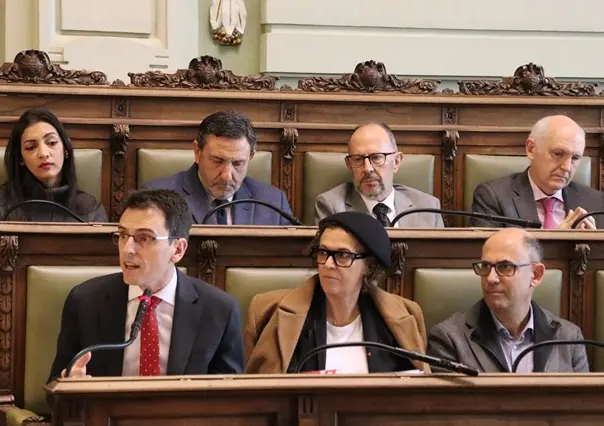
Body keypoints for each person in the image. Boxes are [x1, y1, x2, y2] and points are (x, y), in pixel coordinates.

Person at [48, 189, 244, 380]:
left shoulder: (219, 310)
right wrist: (69, 385)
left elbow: (230, 395)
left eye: (144, 238)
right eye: (123, 235)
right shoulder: (85, 302)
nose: (127, 249)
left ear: (178, 249)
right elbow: (55, 384)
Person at [0, 108, 107, 356]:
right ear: (21, 158)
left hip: (78, 312)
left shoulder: (90, 208)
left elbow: (102, 272)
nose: (43, 153)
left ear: (65, 149)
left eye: (51, 143)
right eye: (31, 147)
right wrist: (32, 296)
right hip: (12, 313)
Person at [244, 211, 430, 374]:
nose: (328, 264)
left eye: (343, 255)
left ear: (369, 266)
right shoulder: (266, 311)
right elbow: (251, 394)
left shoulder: (407, 315)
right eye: (323, 252)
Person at [427, 228, 588, 373]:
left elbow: (581, 397)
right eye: (485, 266)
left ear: (536, 275)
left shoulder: (569, 338)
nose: (491, 278)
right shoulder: (449, 338)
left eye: (505, 267)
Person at [141, 111, 292, 225]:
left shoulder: (273, 202)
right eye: (217, 161)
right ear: (197, 152)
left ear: (251, 157)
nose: (227, 176)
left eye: (237, 163)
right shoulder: (155, 199)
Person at [470, 115, 603, 229]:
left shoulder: (596, 202)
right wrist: (559, 242)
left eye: (575, 158)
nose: (567, 167)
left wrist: (596, 244)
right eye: (558, 154)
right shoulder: (494, 197)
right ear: (531, 149)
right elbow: (488, 250)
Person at [314, 122, 443, 227]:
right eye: (358, 159)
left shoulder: (428, 208)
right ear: (349, 165)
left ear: (396, 162)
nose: (367, 168)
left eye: (376, 158)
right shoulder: (332, 207)